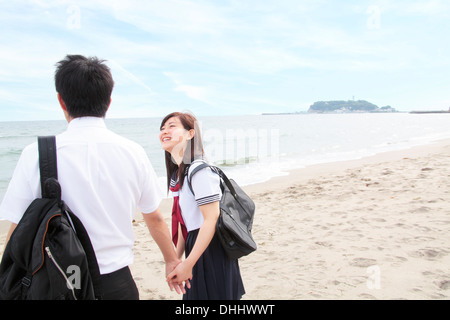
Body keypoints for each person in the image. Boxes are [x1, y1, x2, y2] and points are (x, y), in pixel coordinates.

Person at [0, 55, 186, 299]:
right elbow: (154, 219)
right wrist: (172, 261)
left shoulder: (36, 153)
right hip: (117, 283)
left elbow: (17, 227)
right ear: (108, 102)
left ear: (61, 100)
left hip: (57, 280)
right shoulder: (133, 152)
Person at [159, 112, 245, 300]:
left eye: (172, 126)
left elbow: (211, 219)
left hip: (211, 247)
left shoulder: (200, 170)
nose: (165, 131)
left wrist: (188, 263)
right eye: (162, 128)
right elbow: (185, 223)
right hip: (196, 244)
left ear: (190, 134)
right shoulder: (181, 173)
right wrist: (176, 259)